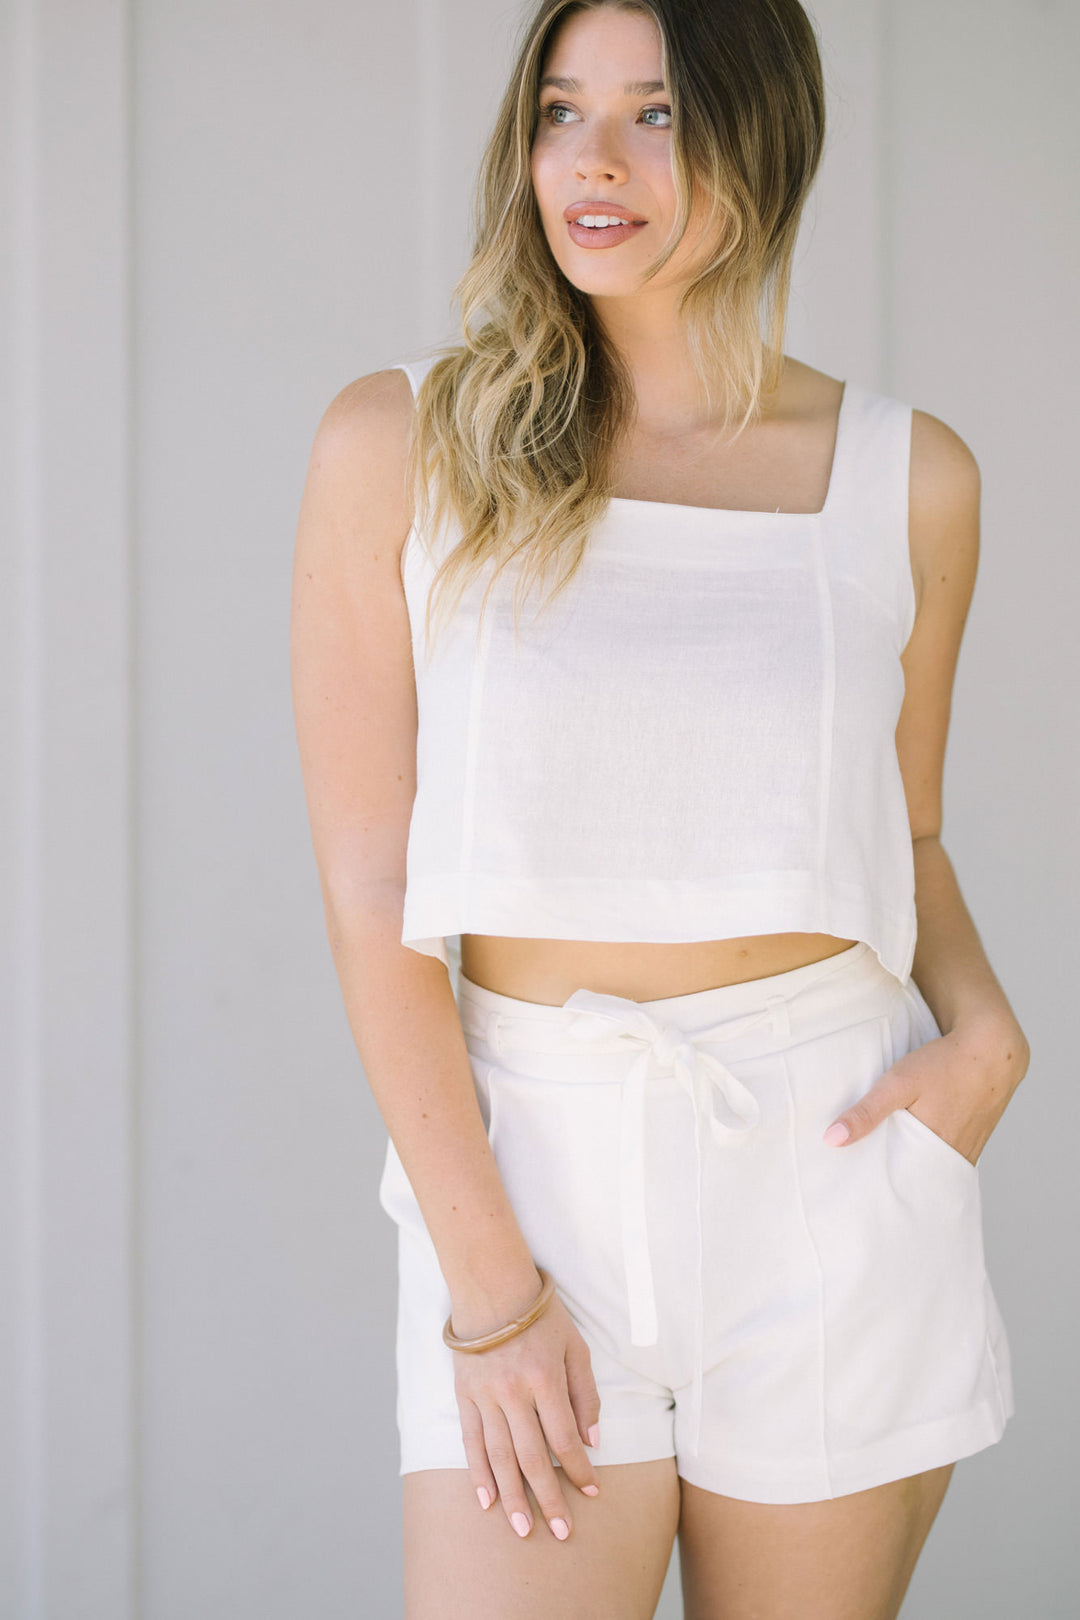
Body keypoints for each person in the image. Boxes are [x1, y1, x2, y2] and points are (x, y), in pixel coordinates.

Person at [290, 1, 1029, 1614]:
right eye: (561, 112)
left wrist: (985, 1041)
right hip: (528, 1175)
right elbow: (371, 888)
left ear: (764, 136)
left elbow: (903, 835)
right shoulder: (403, 445)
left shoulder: (910, 478)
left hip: (831, 1162)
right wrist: (491, 1290)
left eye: (656, 115)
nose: (593, 163)